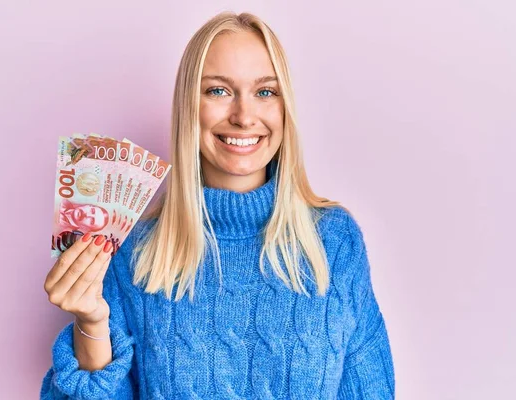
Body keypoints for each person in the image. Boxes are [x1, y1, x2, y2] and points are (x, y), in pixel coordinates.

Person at [41, 11, 395, 399]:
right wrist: (90, 321)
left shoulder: (335, 242)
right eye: (218, 91)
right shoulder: (134, 254)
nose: (244, 117)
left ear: (284, 107)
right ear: (189, 107)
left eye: (265, 91)